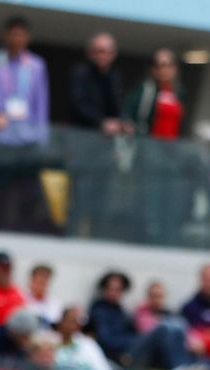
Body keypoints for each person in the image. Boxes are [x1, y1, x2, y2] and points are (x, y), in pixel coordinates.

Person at [0, 17, 52, 234]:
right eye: (12, 33)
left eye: (21, 34)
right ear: (6, 35)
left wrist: (42, 138)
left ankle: (23, 231)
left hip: (27, 138)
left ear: (27, 38)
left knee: (27, 190)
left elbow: (40, 104)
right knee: (0, 189)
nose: (16, 38)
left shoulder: (36, 66)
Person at [123, 48, 191, 246]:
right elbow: (128, 114)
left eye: (168, 65)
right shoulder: (144, 90)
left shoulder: (179, 93)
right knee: (148, 200)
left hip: (172, 153)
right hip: (149, 150)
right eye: (160, 65)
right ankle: (143, 238)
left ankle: (167, 239)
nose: (164, 70)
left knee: (169, 200)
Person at [65, 32, 126, 239]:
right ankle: (72, 236)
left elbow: (117, 109)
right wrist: (101, 123)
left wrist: (121, 125)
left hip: (105, 150)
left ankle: (95, 237)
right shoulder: (80, 73)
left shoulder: (114, 77)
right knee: (79, 197)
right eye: (99, 51)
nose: (104, 56)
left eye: (108, 51)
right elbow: (77, 105)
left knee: (102, 199)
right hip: (82, 147)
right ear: (90, 52)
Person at [87, 271, 136, 365]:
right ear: (104, 289)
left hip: (127, 353)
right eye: (111, 289)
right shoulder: (99, 311)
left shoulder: (122, 311)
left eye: (118, 289)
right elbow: (106, 341)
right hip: (111, 356)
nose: (114, 293)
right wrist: (132, 341)